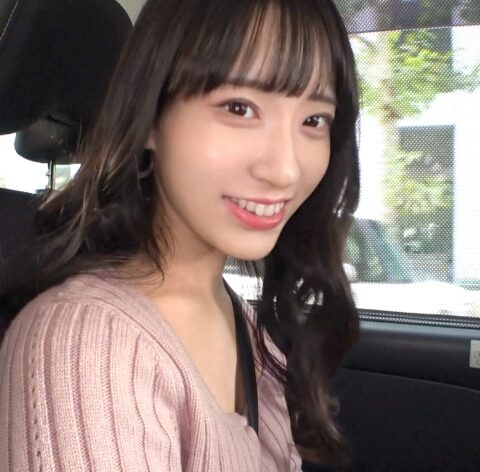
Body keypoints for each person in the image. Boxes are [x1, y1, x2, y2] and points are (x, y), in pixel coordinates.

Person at [0, 0, 360, 470]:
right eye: (239, 108)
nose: (285, 170)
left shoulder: (242, 321)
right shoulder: (85, 347)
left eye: (314, 121)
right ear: (149, 117)